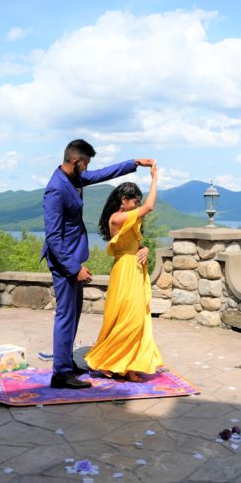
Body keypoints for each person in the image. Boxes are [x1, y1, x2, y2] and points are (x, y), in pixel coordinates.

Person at [41, 139, 154, 389]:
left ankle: (67, 363)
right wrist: (74, 268)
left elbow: (103, 174)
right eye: (86, 163)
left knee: (73, 314)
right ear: (75, 161)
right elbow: (52, 237)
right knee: (65, 316)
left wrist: (134, 163)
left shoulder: (74, 178)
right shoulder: (56, 189)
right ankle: (60, 374)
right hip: (64, 262)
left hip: (73, 258)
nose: (88, 168)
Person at [84, 163, 162, 382]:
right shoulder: (117, 218)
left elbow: (136, 245)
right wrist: (155, 179)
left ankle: (127, 366)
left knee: (137, 318)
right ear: (123, 201)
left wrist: (145, 249)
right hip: (124, 271)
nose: (137, 205)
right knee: (128, 319)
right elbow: (149, 207)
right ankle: (111, 361)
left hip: (135, 270)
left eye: (138, 201)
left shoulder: (130, 219)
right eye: (134, 201)